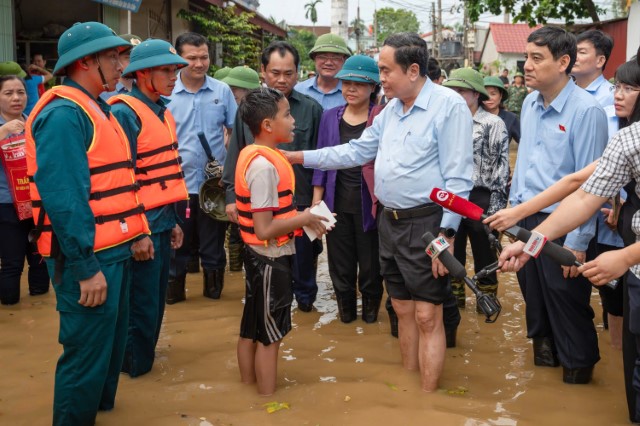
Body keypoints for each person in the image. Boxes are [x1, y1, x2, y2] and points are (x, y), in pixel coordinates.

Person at [283, 32, 473, 392]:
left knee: (428, 314)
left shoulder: (448, 106)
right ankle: (408, 390)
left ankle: (428, 400)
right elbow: (355, 152)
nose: (380, 78)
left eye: (385, 70)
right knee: (401, 308)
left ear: (413, 69)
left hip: (430, 223)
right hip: (391, 221)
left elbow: (459, 178)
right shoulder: (389, 112)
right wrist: (297, 157)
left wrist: (447, 235)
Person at [25, 22, 152, 425]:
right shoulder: (64, 115)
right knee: (85, 356)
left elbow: (116, 183)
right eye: (113, 57)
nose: (121, 65)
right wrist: (85, 268)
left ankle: (99, 414)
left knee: (110, 351)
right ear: (86, 62)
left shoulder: (100, 107)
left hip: (114, 251)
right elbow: (65, 200)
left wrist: (136, 234)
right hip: (87, 259)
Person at [504, 26, 609, 384]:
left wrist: (578, 244)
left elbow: (589, 185)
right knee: (535, 301)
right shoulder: (530, 103)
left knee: (567, 301)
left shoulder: (587, 111)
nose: (527, 66)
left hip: (565, 226)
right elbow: (525, 167)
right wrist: (513, 218)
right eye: (526, 58)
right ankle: (545, 377)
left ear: (563, 62)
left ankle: (578, 375)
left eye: (537, 58)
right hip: (526, 220)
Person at [234, 87, 331, 396]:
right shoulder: (263, 167)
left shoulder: (258, 155)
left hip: (260, 256)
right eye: (286, 115)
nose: (293, 122)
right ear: (266, 125)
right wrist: (304, 218)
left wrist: (304, 217)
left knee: (252, 326)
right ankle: (267, 402)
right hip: (269, 258)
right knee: (270, 334)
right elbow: (264, 229)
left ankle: (248, 389)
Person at [107, 39, 188, 377]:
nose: (173, 77)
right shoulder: (124, 113)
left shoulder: (162, 110)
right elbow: (121, 179)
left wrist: (173, 221)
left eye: (175, 70)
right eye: (166, 70)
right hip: (140, 228)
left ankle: (142, 368)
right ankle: (134, 371)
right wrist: (137, 232)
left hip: (161, 220)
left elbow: (162, 178)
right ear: (142, 74)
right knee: (139, 306)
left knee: (154, 304)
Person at [222, 41, 323, 313]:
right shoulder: (250, 109)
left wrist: (316, 203)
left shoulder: (312, 109)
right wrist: (231, 197)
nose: (281, 79)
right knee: (265, 271)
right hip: (261, 207)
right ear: (262, 71)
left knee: (304, 269)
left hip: (300, 204)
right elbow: (236, 155)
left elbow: (321, 160)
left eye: (288, 73)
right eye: (275, 72)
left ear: (298, 73)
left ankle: (304, 310)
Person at [311, 55, 384, 323]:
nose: (351, 89)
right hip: (336, 203)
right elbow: (321, 161)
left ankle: (370, 319)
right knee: (340, 267)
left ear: (373, 87)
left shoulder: (381, 117)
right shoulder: (330, 117)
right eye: (346, 83)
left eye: (359, 84)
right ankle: (346, 319)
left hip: (370, 207)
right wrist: (316, 207)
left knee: (371, 267)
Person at [166, 32, 237, 304]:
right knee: (176, 247)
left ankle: (213, 296)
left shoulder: (222, 91)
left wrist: (229, 177)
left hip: (213, 187)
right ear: (178, 58)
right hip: (176, 186)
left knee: (213, 247)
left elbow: (234, 134)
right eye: (191, 58)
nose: (199, 63)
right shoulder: (166, 93)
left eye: (204, 57)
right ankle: (174, 297)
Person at [571, 28, 624, 346]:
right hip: (577, 210)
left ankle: (619, 354)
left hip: (608, 214)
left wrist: (619, 206)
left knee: (615, 293)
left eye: (583, 51)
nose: (575, 56)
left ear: (601, 60)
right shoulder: (568, 96)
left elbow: (622, 160)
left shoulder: (614, 100)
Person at [443, 68, 509, 310]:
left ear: (475, 94)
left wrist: (496, 212)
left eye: (461, 91)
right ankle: (455, 305)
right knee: (451, 254)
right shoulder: (444, 121)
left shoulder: (493, 123)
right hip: (450, 198)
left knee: (485, 256)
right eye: (451, 91)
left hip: (481, 198)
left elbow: (501, 169)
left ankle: (487, 306)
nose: (456, 95)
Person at [0, 75, 49, 305]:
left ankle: (39, 305)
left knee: (40, 258)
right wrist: (3, 133)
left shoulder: (35, 123)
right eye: (8, 93)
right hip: (6, 206)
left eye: (20, 92)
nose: (16, 98)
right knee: (12, 263)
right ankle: (10, 306)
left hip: (37, 203)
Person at [221, 66, 261, 272]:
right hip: (245, 190)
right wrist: (231, 196)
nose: (232, 94)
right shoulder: (240, 115)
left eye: (235, 89)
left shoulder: (274, 109)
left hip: (272, 193)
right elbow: (234, 154)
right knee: (242, 237)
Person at [294, 33, 351, 110]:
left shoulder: (351, 94)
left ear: (344, 60)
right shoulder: (299, 91)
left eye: (335, 58)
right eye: (322, 57)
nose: (328, 63)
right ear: (314, 59)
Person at [100, 34, 142, 101]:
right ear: (116, 59)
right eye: (129, 58)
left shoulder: (149, 91)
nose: (136, 62)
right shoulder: (103, 93)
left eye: (140, 58)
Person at [483, 75, 520, 144]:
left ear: (501, 95)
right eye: (485, 94)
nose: (489, 98)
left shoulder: (511, 118)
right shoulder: (473, 116)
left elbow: (525, 143)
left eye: (493, 94)